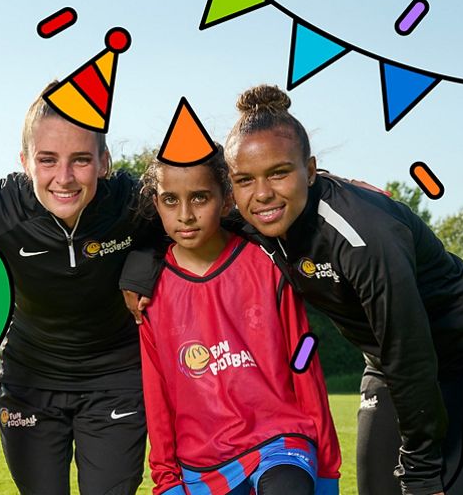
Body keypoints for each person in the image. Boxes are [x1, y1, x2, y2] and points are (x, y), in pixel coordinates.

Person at [128, 85, 463, 495]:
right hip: (387, 364)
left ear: (311, 170)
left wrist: (422, 472)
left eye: (279, 172)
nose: (262, 193)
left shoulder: (364, 236)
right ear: (233, 190)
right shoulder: (258, 217)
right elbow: (181, 221)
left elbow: (410, 349)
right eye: (246, 179)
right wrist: (138, 270)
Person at [0, 81, 165, 494]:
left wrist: (142, 266)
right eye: (47, 160)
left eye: (81, 160)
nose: (64, 178)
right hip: (29, 382)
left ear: (104, 161)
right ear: (25, 162)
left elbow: (183, 219)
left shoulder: (130, 200)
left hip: (116, 379)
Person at [136, 151, 341, 494]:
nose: (185, 215)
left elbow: (304, 356)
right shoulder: (147, 294)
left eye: (200, 197)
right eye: (171, 200)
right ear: (157, 205)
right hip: (202, 464)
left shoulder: (267, 264)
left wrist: (328, 469)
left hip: (279, 442)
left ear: (227, 198)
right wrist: (167, 480)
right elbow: (157, 394)